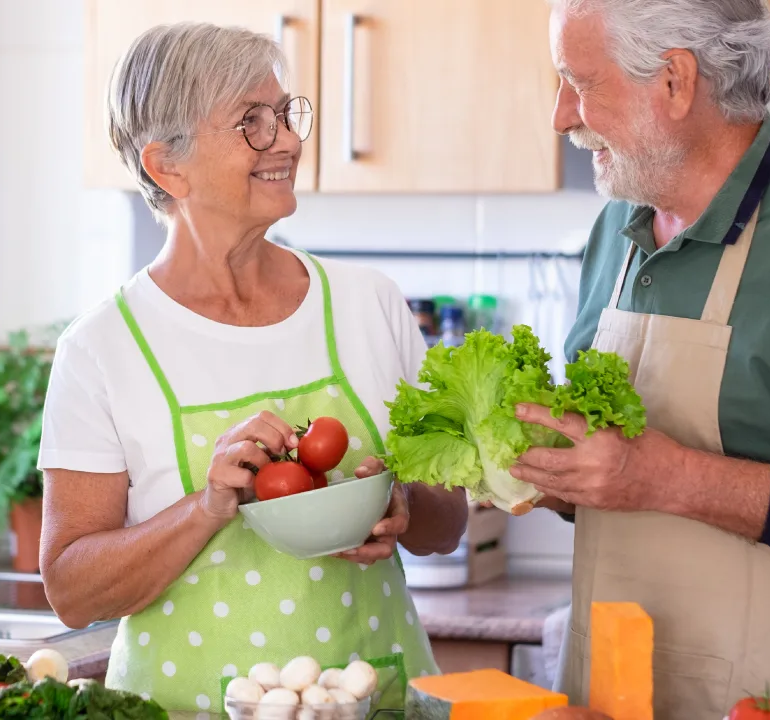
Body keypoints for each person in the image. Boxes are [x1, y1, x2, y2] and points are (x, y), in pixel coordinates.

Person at [36, 22, 468, 714]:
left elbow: (448, 527)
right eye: (252, 123)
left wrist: (404, 508)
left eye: (286, 113)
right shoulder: (103, 348)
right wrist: (207, 508)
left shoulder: (370, 306)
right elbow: (72, 587)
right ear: (166, 166)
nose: (290, 141)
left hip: (376, 700)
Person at [511, 0, 770, 716]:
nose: (560, 116)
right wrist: (548, 473)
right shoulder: (617, 227)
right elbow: (608, 475)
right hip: (607, 690)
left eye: (579, 82)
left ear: (675, 81)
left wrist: (667, 478)